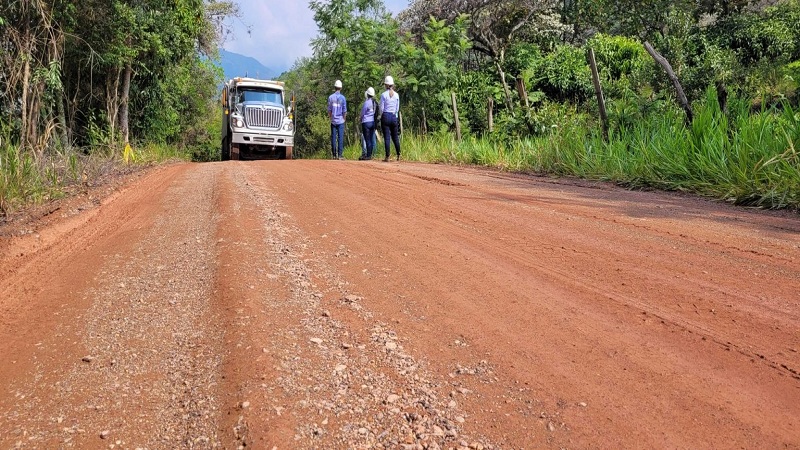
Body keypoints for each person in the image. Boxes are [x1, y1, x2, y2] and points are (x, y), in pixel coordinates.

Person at [380, 75, 401, 161]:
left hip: (385, 115)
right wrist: (394, 115)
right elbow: (397, 108)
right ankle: (399, 155)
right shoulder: (396, 95)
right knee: (395, 137)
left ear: (386, 85)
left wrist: (382, 116)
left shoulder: (383, 95)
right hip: (393, 116)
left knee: (387, 137)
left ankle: (387, 156)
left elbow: (381, 108)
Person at [328, 79, 347, 160]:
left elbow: (329, 110)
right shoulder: (343, 98)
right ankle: (340, 155)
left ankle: (334, 155)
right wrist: (344, 119)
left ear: (334, 87)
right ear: (341, 88)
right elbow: (344, 110)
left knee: (333, 137)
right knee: (340, 138)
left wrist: (330, 117)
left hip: (333, 120)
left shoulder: (330, 97)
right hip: (340, 121)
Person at [359, 87, 378, 160]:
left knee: (367, 139)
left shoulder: (366, 103)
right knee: (371, 138)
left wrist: (360, 119)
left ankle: (368, 155)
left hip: (366, 122)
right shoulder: (374, 103)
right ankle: (371, 154)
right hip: (372, 122)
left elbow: (363, 113)